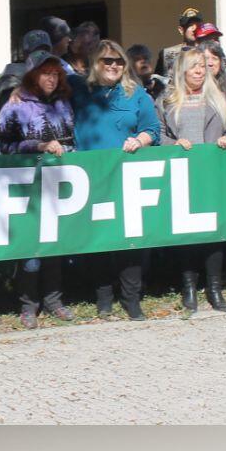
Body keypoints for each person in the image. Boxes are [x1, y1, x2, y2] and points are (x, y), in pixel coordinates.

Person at [69, 39, 159, 321]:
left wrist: (139, 141)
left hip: (126, 177)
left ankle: (131, 299)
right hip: (91, 178)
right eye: (106, 61)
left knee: (130, 240)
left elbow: (152, 129)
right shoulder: (78, 90)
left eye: (118, 61)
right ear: (95, 63)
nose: (113, 66)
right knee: (100, 240)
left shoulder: (136, 94)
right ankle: (103, 298)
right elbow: (40, 89)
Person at [0, 52, 77, 328]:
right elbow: (4, 148)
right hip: (27, 185)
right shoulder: (14, 106)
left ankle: (54, 300)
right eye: (45, 74)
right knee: (31, 248)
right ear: (33, 75)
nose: (51, 79)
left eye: (55, 74)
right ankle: (28, 304)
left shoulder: (64, 102)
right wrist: (38, 146)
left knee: (55, 243)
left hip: (60, 181)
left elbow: (73, 137)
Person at [158, 48, 226, 313]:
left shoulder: (218, 98)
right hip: (182, 175)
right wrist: (173, 143)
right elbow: (160, 133)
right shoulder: (167, 100)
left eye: (203, 67)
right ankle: (189, 287)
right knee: (188, 235)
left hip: (211, 173)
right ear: (182, 71)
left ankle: (214, 288)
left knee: (213, 233)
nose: (200, 72)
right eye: (194, 67)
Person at [0, 30, 50, 134]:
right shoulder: (10, 83)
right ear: (25, 54)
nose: (41, 55)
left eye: (46, 50)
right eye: (36, 50)